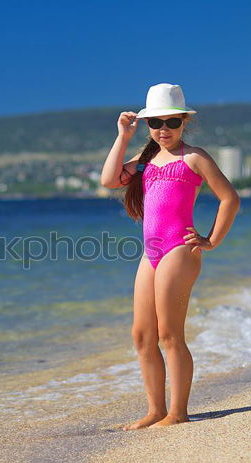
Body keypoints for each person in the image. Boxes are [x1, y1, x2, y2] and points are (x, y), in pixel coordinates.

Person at [100, 83, 240, 429]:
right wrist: (123, 136)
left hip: (180, 248)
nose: (163, 129)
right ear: (147, 125)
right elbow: (109, 180)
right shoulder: (145, 160)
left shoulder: (193, 157)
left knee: (169, 335)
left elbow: (229, 198)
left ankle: (178, 413)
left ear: (184, 123)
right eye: (156, 123)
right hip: (151, 252)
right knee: (142, 336)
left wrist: (211, 240)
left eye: (172, 122)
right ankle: (155, 410)